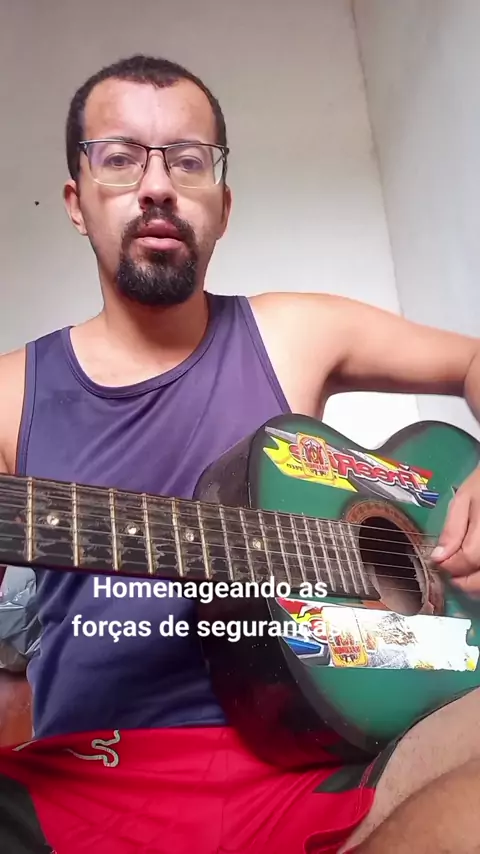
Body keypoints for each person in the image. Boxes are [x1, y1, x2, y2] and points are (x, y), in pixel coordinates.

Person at [0, 53, 480, 854]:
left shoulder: (296, 330)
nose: (157, 186)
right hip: (96, 784)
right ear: (77, 202)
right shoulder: (10, 391)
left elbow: (471, 358)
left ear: (222, 207)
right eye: (119, 158)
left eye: (188, 161)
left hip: (331, 764)